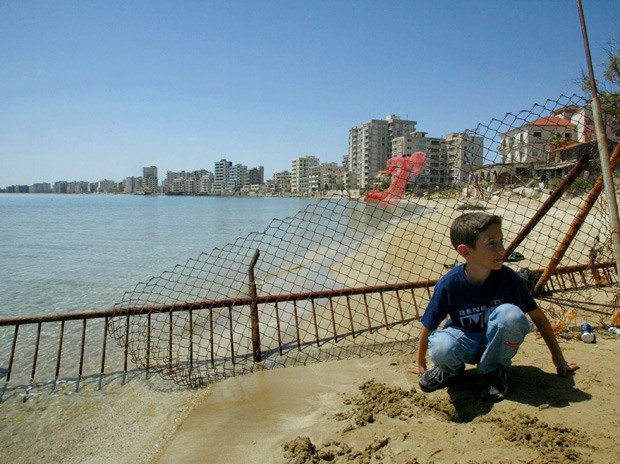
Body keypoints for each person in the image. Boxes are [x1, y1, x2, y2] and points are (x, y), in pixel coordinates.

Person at [410, 212, 579, 402]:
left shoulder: (509, 278)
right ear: (466, 252)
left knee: (512, 315)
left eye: (501, 241)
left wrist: (558, 357)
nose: (502, 250)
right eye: (491, 243)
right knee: (441, 345)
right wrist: (421, 362)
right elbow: (428, 325)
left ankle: (492, 371)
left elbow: (537, 315)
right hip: (466, 342)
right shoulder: (450, 284)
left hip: (497, 345)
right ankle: (450, 372)